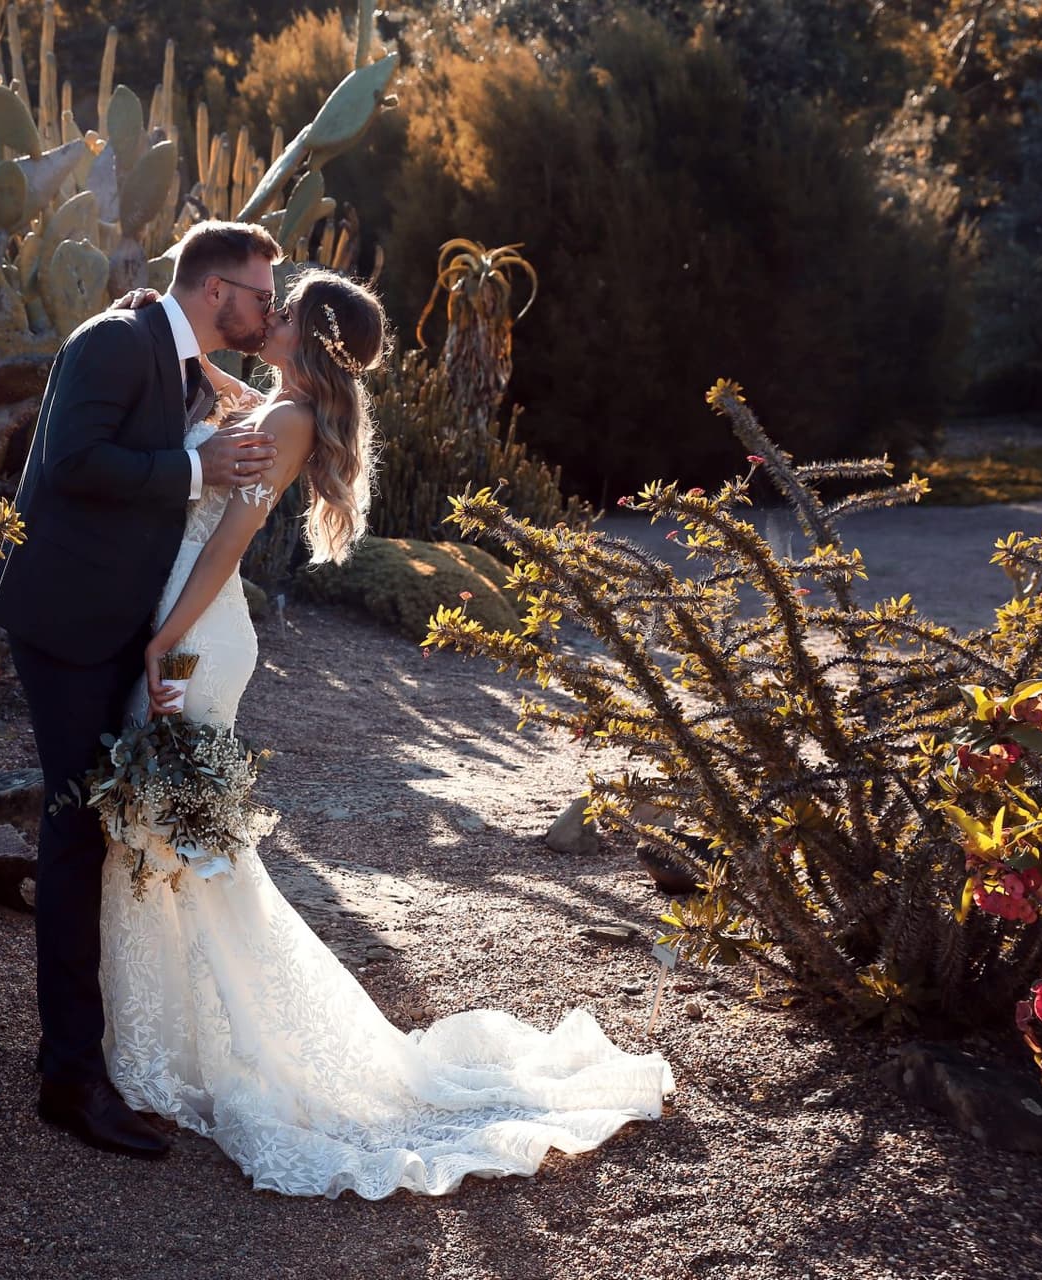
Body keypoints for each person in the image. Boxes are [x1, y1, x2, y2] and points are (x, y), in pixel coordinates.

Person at [96, 268, 676, 1198]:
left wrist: (164, 638)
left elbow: (225, 545)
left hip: (196, 626)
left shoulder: (285, 424)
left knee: (181, 837)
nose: (268, 315)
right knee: (174, 835)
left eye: (284, 312)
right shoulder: (282, 407)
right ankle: (170, 1036)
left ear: (313, 340)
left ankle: (198, 1048)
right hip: (192, 620)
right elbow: (226, 432)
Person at [0, 220, 285, 1159]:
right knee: (75, 832)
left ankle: (97, 1048)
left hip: (126, 630)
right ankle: (68, 1080)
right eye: (259, 296)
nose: (267, 313)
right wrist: (197, 467)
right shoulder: (113, 341)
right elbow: (72, 462)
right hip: (68, 625)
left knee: (107, 834)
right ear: (212, 289)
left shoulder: (180, 354)